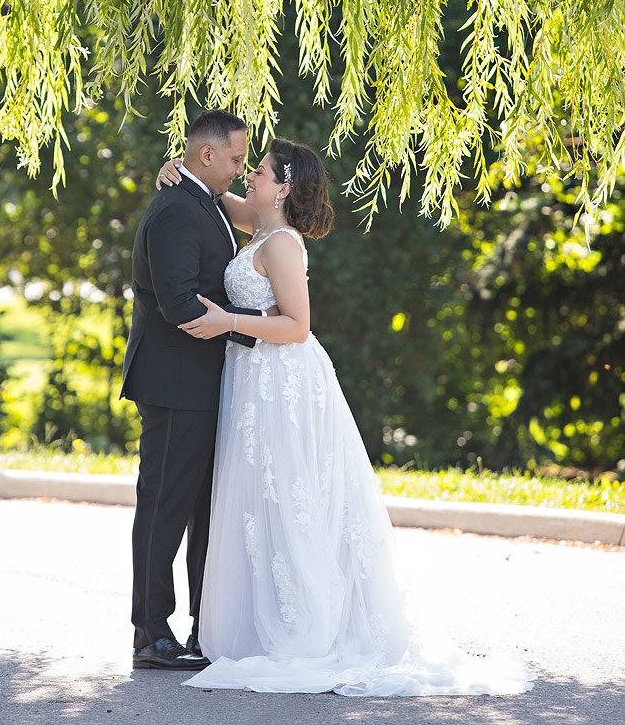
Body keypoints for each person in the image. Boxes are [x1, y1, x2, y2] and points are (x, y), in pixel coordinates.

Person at [155, 137, 534, 696]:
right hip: (253, 380)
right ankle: (263, 619)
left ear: (282, 187)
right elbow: (211, 195)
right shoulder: (257, 222)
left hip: (282, 377)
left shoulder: (281, 243)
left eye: (258, 171)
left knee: (289, 492)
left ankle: (307, 623)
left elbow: (297, 326)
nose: (248, 176)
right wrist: (178, 169)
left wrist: (229, 322)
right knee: (261, 497)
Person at [121, 109, 275, 671]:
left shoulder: (203, 200)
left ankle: (202, 629)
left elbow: (264, 222)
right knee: (165, 507)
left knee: (206, 510)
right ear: (206, 155)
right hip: (174, 383)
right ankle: (150, 633)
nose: (240, 169)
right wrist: (258, 322)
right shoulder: (176, 211)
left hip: (206, 382)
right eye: (236, 160)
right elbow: (178, 302)